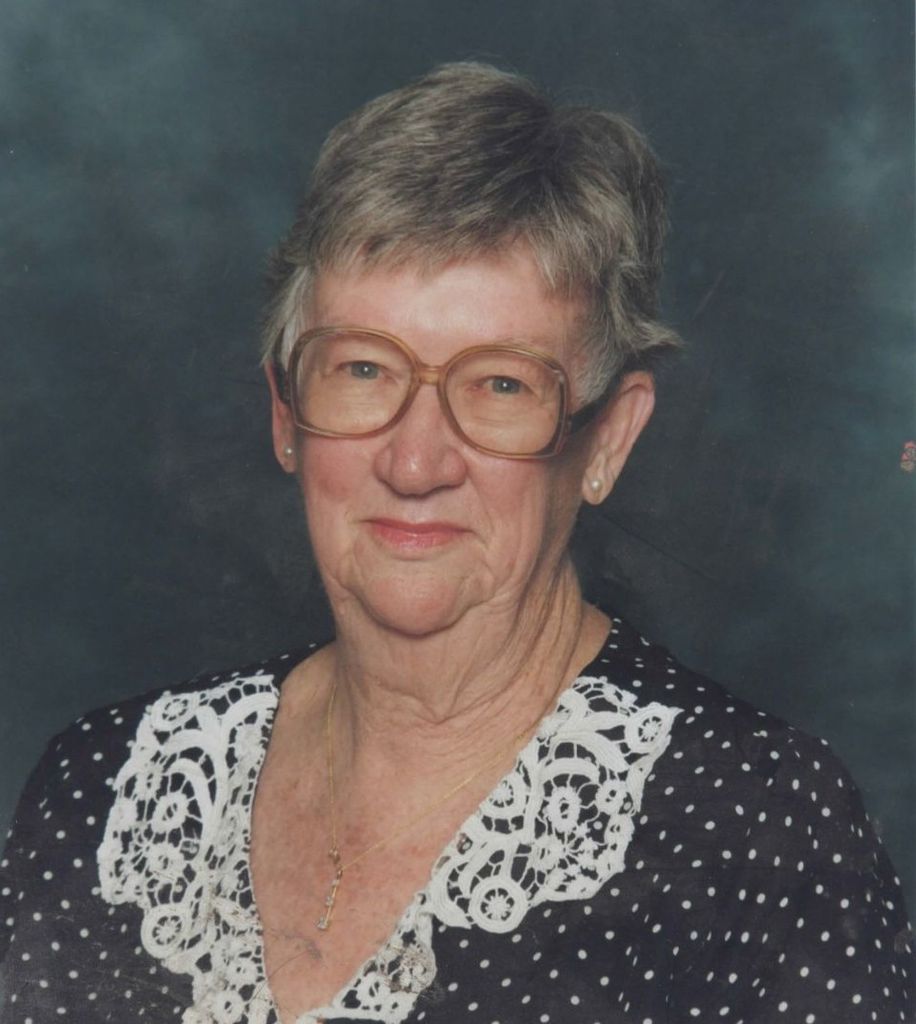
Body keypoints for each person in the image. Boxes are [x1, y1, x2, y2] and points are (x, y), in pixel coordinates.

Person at [0, 62, 912, 1024]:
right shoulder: (103, 788)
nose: (415, 461)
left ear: (608, 440)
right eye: (362, 369)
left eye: (501, 385)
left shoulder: (759, 827)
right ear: (285, 412)